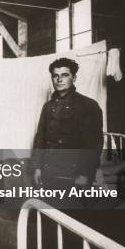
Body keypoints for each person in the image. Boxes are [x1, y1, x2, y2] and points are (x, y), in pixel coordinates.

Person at [32, 58, 103, 188]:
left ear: (74, 78)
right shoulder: (48, 106)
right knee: (47, 206)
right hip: (49, 171)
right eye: (55, 76)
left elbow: (93, 144)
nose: (59, 80)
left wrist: (84, 174)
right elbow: (40, 139)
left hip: (75, 172)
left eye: (64, 75)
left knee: (72, 207)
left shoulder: (88, 105)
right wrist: (37, 167)